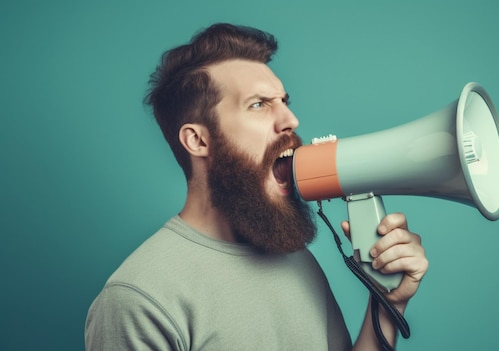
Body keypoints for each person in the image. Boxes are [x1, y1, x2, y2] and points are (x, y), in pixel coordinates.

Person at [85, 23, 429, 351]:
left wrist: (387, 303)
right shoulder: (138, 297)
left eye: (284, 101)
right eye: (259, 105)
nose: (290, 120)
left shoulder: (295, 257)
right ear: (198, 140)